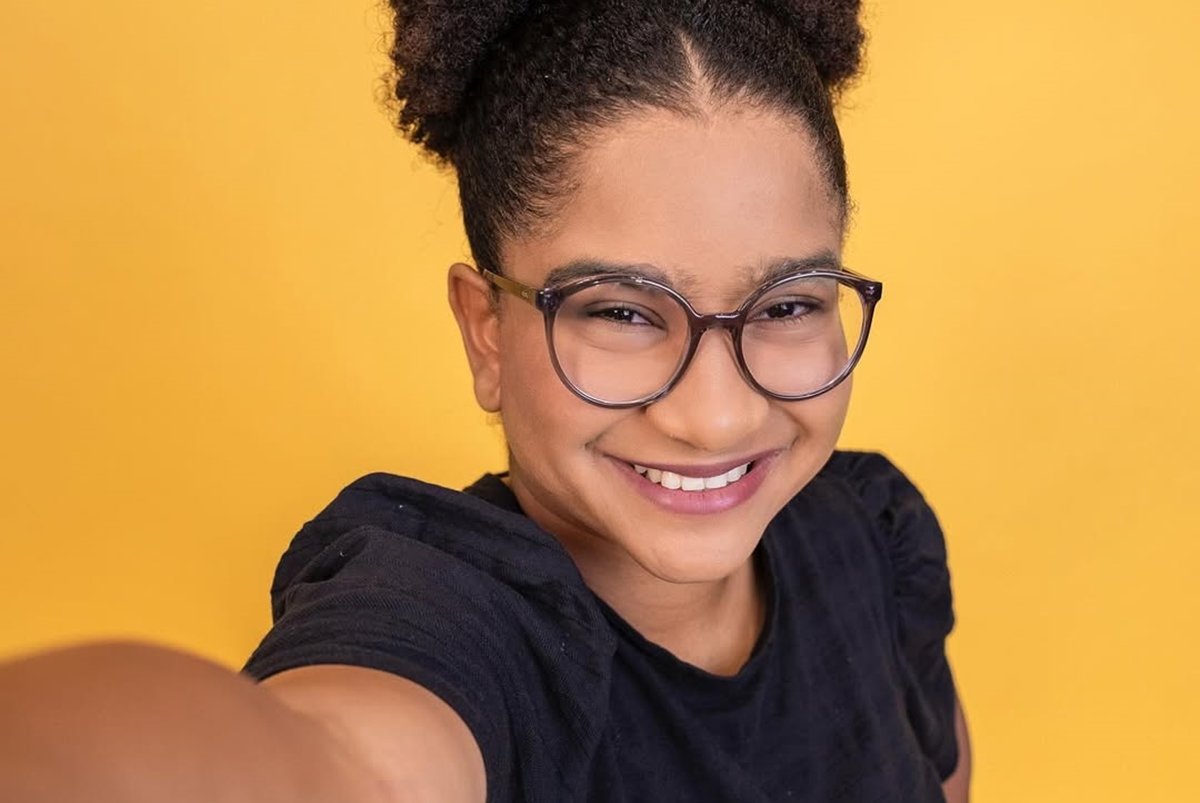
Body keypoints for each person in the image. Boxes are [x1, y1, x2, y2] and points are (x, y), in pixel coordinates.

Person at [0, 1, 971, 801]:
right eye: (622, 312)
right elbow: (339, 760)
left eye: (789, 303)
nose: (716, 414)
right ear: (486, 332)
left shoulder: (872, 536)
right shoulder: (451, 619)